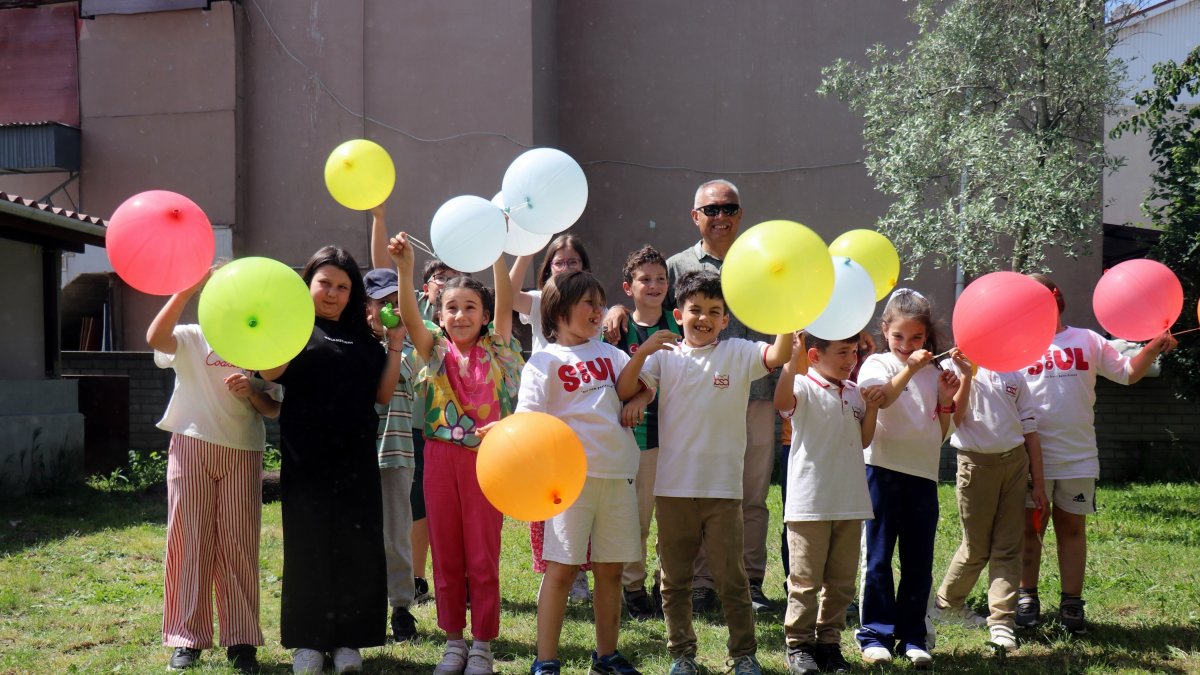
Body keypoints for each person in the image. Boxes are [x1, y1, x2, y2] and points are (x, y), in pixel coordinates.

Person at [605, 179, 777, 614]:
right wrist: (618, 310)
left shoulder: (763, 257)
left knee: (751, 492)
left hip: (756, 389)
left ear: (741, 214)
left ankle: (751, 581)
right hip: (693, 399)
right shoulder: (679, 264)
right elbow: (657, 305)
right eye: (711, 209)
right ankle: (700, 583)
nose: (721, 216)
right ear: (695, 216)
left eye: (729, 208)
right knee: (695, 488)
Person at [616, 270, 792, 675]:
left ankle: (744, 654)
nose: (704, 318)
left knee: (732, 580)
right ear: (678, 314)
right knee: (675, 580)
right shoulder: (664, 357)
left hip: (723, 490)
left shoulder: (739, 352)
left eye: (715, 311)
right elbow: (626, 389)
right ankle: (682, 655)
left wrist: (786, 315)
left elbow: (777, 356)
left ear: (726, 320)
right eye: (696, 310)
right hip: (673, 489)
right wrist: (642, 352)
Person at [260, 246, 405, 675]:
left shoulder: (365, 338)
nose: (333, 293)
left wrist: (394, 344)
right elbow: (270, 374)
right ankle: (308, 642)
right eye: (324, 283)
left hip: (356, 455)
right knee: (308, 545)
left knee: (357, 546)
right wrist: (287, 324)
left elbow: (381, 395)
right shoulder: (293, 329)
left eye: (343, 287)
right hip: (306, 456)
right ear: (307, 283)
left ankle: (348, 642)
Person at [388, 231, 524, 675]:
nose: (461, 315)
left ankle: (482, 644)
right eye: (452, 307)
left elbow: (505, 302)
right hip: (440, 459)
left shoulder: (499, 349)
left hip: (488, 462)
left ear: (484, 316)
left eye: (470, 307)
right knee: (446, 554)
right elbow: (409, 317)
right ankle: (453, 642)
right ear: (439, 315)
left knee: (482, 555)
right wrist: (406, 268)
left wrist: (497, 255)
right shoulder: (432, 350)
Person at [1017, 274, 1176, 634]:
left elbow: (1126, 374)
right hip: (1030, 458)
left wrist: (1151, 346)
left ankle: (1071, 603)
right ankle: (1027, 597)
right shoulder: (1018, 345)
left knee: (1072, 528)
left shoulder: (1086, 339)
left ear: (1056, 300)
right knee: (1030, 529)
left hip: (1077, 456)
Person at [517, 270, 651, 675]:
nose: (598, 311)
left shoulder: (611, 354)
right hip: (569, 482)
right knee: (562, 569)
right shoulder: (543, 361)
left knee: (610, 571)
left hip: (617, 474)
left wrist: (640, 398)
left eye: (600, 302)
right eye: (588, 304)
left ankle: (606, 656)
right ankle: (546, 660)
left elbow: (642, 386)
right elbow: (529, 419)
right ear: (558, 311)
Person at [148, 270, 282, 674]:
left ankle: (241, 640)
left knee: (239, 543)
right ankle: (186, 638)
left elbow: (274, 407)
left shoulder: (260, 341)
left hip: (243, 450)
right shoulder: (191, 335)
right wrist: (183, 288)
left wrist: (252, 391)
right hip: (190, 445)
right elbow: (155, 338)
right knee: (189, 540)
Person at [854, 288, 963, 669]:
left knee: (919, 560)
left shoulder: (934, 372)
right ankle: (875, 635)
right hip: (880, 471)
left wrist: (948, 398)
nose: (907, 344)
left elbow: (941, 432)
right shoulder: (877, 364)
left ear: (926, 336)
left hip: (923, 477)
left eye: (916, 338)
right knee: (879, 559)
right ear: (885, 331)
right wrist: (912, 367)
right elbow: (881, 399)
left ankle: (913, 637)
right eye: (899, 336)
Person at [773, 332, 883, 674]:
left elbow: (864, 440)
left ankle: (829, 643)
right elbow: (781, 403)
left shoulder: (854, 393)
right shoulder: (804, 386)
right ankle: (799, 644)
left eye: (853, 352)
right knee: (805, 581)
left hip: (850, 502)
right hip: (810, 504)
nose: (850, 359)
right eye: (842, 352)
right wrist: (791, 362)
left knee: (842, 582)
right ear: (815, 356)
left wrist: (874, 406)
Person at [372, 206, 461, 605]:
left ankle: (423, 581)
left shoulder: (444, 320)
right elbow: (382, 272)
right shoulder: (406, 310)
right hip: (397, 430)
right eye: (436, 278)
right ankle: (410, 581)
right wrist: (380, 219)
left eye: (448, 278)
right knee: (401, 510)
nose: (441, 284)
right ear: (423, 287)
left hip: (432, 427)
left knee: (421, 509)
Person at [930, 352, 1048, 652]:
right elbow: (952, 419)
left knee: (1009, 546)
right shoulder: (949, 369)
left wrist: (1039, 483)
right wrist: (967, 375)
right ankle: (947, 605)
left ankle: (1002, 622)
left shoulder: (1013, 372)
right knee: (976, 547)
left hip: (1015, 464)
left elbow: (1030, 432)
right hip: (975, 466)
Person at [511, 234, 600, 602]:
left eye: (573, 262)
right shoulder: (537, 301)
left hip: (584, 411)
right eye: (558, 262)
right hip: (548, 411)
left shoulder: (592, 305)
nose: (566, 267)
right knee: (550, 493)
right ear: (548, 268)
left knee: (584, 491)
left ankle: (580, 572)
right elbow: (507, 293)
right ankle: (554, 570)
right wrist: (526, 246)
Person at [610, 245, 680, 621]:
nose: (654, 285)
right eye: (645, 279)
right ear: (628, 286)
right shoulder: (619, 329)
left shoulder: (682, 323)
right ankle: (633, 588)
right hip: (638, 439)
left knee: (674, 520)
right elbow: (614, 383)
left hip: (681, 438)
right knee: (637, 518)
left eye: (661, 278)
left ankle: (666, 582)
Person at [362, 266, 420, 643]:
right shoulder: (353, 345)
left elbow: (402, 376)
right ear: (366, 308)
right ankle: (363, 608)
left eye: (399, 302)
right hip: (358, 454)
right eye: (384, 303)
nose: (392, 309)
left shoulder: (414, 347)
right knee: (361, 535)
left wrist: (395, 340)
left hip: (397, 452)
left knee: (396, 534)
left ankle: (401, 607)